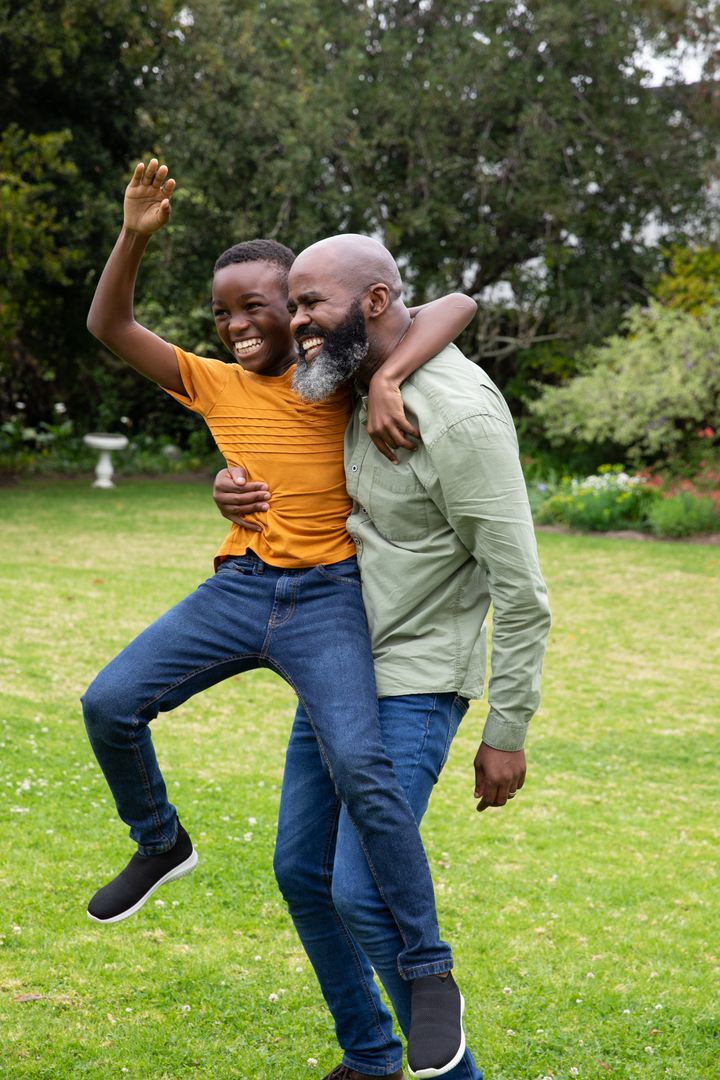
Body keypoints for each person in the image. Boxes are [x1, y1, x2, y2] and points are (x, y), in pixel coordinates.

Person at [82, 159, 478, 1079]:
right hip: (240, 589)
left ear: (296, 304)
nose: (238, 324)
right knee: (109, 703)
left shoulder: (332, 374)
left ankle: (428, 973)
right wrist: (135, 234)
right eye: (223, 312)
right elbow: (109, 326)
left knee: (363, 768)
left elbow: (453, 303)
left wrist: (390, 380)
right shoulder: (211, 382)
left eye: (257, 305)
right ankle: (159, 841)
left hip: (329, 600)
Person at [213, 233, 552, 1080]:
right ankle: (370, 1057)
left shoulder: (461, 416)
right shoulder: (348, 381)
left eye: (310, 305)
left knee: (363, 892)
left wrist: (506, 730)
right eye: (291, 305)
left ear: (371, 303)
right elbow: (439, 310)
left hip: (414, 682)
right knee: (300, 870)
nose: (298, 324)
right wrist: (225, 488)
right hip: (337, 668)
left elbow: (522, 592)